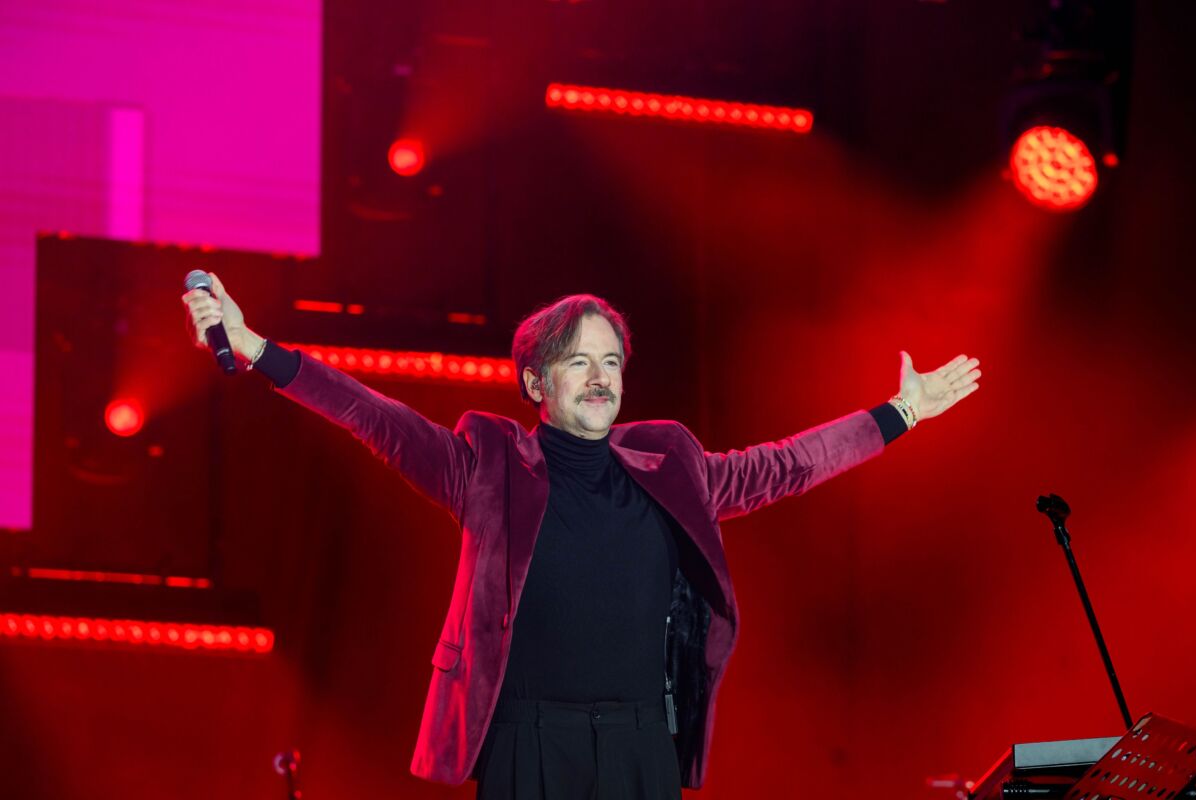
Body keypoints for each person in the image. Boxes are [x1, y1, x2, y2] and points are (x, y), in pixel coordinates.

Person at [182, 277, 981, 799]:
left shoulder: (672, 466)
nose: (600, 378)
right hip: (529, 744)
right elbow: (374, 417)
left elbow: (786, 465)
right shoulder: (486, 466)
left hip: (640, 746)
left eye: (611, 362)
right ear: (536, 381)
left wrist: (901, 413)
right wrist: (257, 350)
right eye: (577, 363)